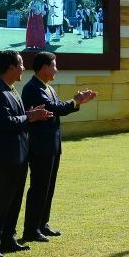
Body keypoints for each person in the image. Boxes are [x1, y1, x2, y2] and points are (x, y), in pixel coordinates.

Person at [0, 50, 53, 257]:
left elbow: (18, 118)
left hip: (18, 155)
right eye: (20, 64)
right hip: (5, 157)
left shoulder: (11, 89)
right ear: (10, 67)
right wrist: (30, 117)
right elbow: (6, 123)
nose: (23, 68)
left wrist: (31, 115)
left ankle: (8, 239)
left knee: (14, 201)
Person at [21, 52, 96, 243]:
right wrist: (75, 101)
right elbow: (53, 108)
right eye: (54, 65)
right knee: (38, 188)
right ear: (44, 67)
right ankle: (31, 230)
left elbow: (57, 106)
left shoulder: (48, 88)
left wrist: (76, 102)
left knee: (48, 187)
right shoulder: (32, 88)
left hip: (52, 147)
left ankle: (42, 224)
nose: (56, 69)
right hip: (40, 148)